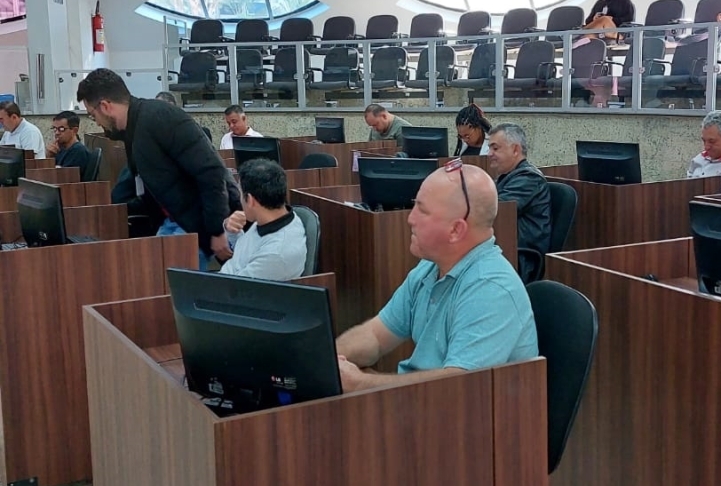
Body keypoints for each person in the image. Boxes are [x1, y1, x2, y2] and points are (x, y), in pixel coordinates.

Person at [336, 162, 538, 389]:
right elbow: (375, 335)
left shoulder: (490, 289)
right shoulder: (429, 268)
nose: (410, 218)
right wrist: (329, 360)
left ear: (456, 230)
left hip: (461, 408)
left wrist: (360, 383)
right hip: (427, 404)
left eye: (422, 210)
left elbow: (458, 388)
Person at [76, 68, 235, 269]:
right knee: (149, 277)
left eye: (93, 116)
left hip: (199, 223)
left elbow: (211, 172)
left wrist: (217, 230)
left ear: (105, 106)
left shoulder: (160, 117)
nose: (97, 123)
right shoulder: (132, 130)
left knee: (165, 283)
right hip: (173, 222)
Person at [220, 159, 307, 280]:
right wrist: (232, 231)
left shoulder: (276, 255)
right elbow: (245, 255)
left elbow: (236, 286)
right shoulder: (270, 218)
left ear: (250, 200)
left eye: (240, 193)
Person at [487, 123, 551, 281]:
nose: (489, 154)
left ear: (515, 149)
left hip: (520, 258)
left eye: (495, 148)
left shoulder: (529, 178)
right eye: (489, 148)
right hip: (503, 249)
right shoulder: (507, 177)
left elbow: (497, 209)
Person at [46, 111, 92, 179]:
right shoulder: (60, 149)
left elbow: (65, 178)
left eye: (61, 129)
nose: (57, 133)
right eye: (55, 129)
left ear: (75, 130)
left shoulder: (78, 151)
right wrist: (49, 157)